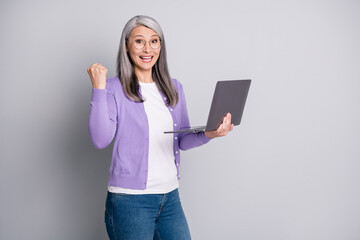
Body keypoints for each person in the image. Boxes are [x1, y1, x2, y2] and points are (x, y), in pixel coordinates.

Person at [87, 15, 233, 240]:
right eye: (139, 41)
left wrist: (209, 134)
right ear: (127, 46)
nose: (147, 48)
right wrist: (98, 88)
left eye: (154, 41)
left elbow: (182, 140)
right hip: (130, 201)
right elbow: (100, 139)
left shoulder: (173, 87)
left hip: (170, 197)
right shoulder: (114, 88)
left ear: (161, 46)